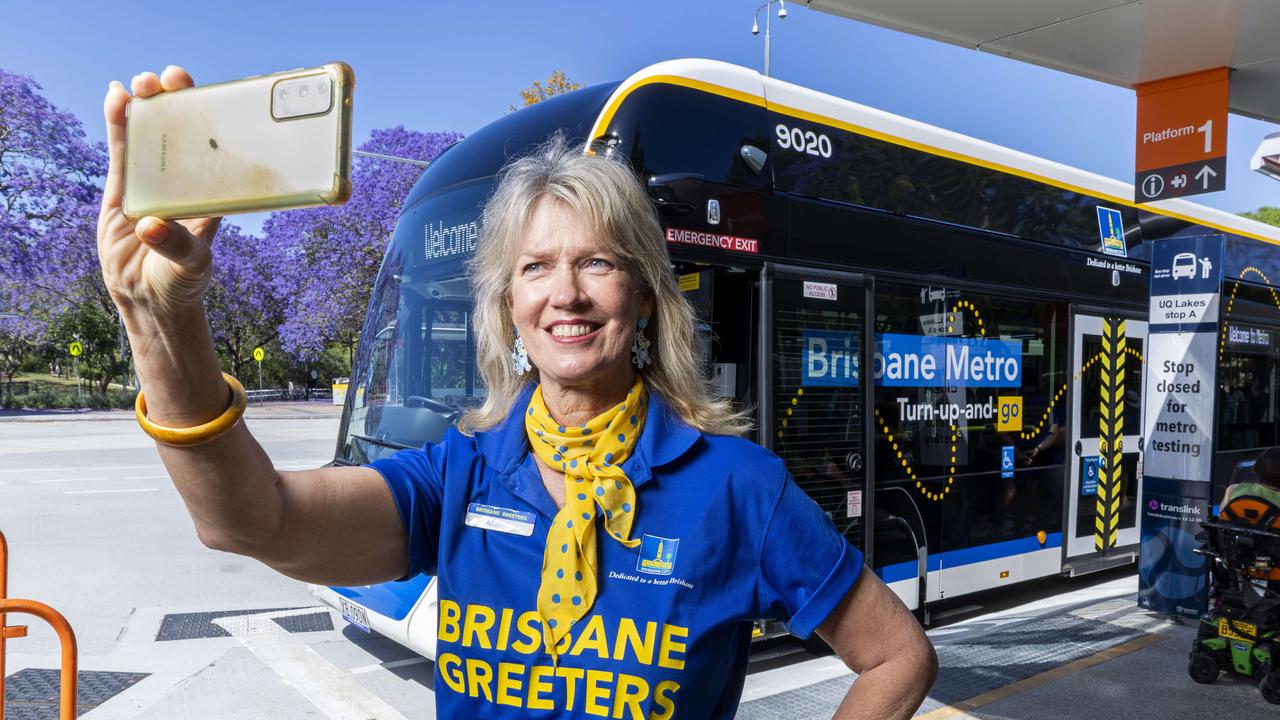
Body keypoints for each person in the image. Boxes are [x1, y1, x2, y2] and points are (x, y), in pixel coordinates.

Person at [97, 66, 937, 719]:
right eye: (535, 268)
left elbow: (897, 655)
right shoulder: (459, 478)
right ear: (508, 307)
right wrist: (159, 322)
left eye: (596, 262)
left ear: (644, 294)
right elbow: (250, 520)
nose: (564, 294)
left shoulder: (738, 489)